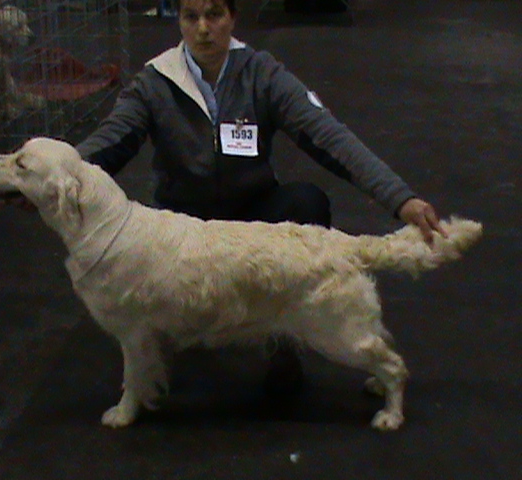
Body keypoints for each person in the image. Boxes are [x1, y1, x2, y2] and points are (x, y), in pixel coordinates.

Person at [75, 0, 447, 392]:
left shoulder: (262, 73)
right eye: (191, 17)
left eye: (215, 14)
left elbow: (330, 137)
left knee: (306, 203)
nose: (203, 28)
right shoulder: (153, 81)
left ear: (233, 18)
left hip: (252, 216)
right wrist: (54, 176)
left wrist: (399, 198)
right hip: (183, 228)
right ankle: (175, 332)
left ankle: (286, 337)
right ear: (180, 22)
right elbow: (110, 141)